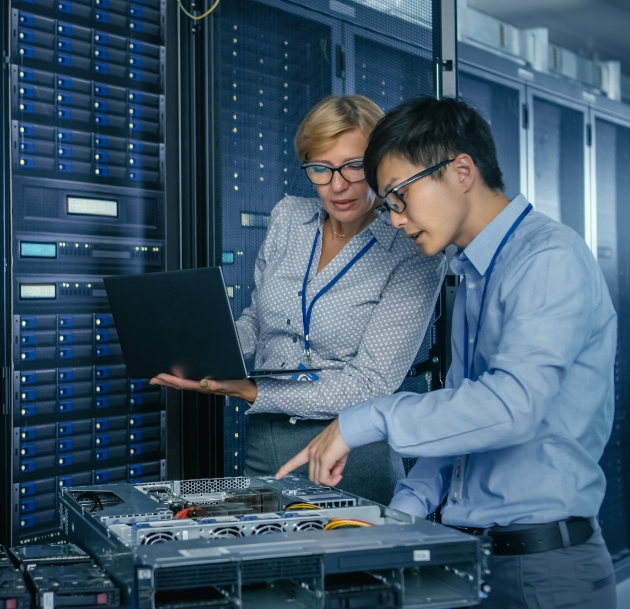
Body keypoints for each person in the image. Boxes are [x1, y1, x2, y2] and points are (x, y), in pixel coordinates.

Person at [277, 96, 618, 608]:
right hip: (477, 558)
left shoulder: (547, 259)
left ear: (461, 170)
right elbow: (465, 419)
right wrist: (400, 512)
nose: (394, 219)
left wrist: (362, 420)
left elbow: (509, 408)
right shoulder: (475, 273)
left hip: (544, 569)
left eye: (398, 197)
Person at [151, 95, 446, 505]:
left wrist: (249, 390)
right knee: (267, 566)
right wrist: (201, 351)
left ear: (382, 164)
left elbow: (371, 384)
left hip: (353, 453)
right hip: (265, 443)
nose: (337, 185)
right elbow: (259, 320)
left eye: (354, 166)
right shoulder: (289, 217)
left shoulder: (410, 250)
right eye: (320, 169)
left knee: (351, 569)